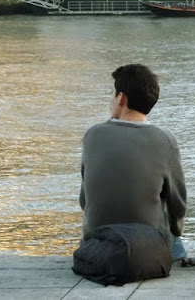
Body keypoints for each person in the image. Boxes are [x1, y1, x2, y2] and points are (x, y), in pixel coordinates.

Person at [79, 64, 187, 261]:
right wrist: (175, 230)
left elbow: (85, 200)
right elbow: (177, 203)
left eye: (111, 94)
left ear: (121, 98)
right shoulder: (165, 139)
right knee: (177, 241)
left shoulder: (92, 135)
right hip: (146, 248)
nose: (110, 100)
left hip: (97, 244)